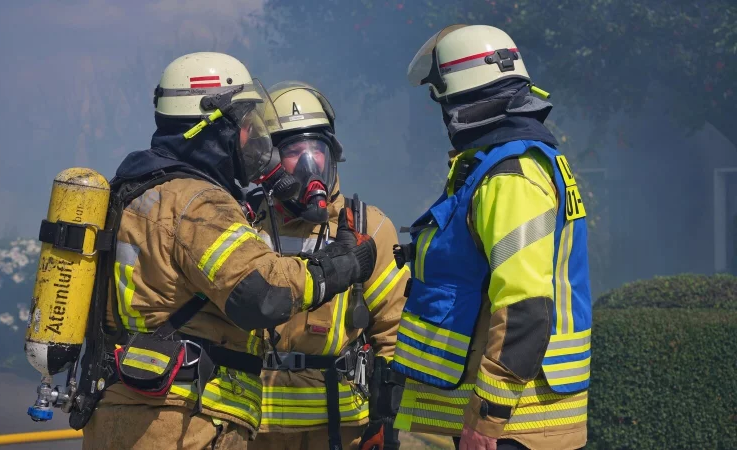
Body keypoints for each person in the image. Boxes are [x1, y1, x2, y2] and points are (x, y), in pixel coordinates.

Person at [80, 52, 378, 450]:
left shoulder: (135, 190)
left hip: (123, 410)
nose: (250, 137)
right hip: (180, 423)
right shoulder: (199, 203)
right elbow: (263, 296)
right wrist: (342, 265)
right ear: (212, 127)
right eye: (243, 123)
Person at [389, 25, 593, 450]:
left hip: (512, 428)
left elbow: (525, 308)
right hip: (511, 424)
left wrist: (487, 418)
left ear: (459, 100)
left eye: (443, 102)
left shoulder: (510, 178)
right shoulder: (504, 167)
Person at [246, 81, 409, 450]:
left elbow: (395, 331)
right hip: (253, 424)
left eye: (316, 150)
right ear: (268, 160)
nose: (310, 163)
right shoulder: (244, 224)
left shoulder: (368, 228)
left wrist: (385, 420)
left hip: (340, 428)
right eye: (294, 151)